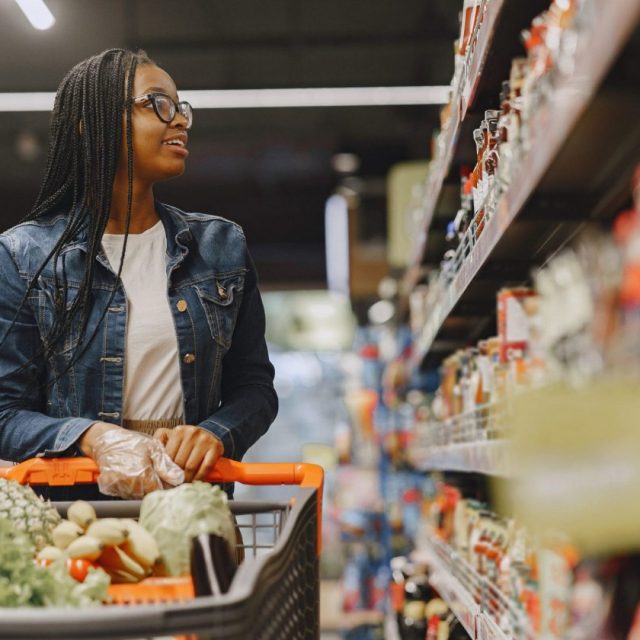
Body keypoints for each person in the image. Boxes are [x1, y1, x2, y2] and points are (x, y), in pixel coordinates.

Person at [0, 48, 277, 499]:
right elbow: (4, 412)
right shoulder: (24, 257)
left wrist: (215, 432)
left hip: (191, 509)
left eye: (181, 107)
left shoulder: (220, 248)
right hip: (77, 522)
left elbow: (255, 388)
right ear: (92, 125)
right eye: (158, 104)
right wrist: (95, 437)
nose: (180, 120)